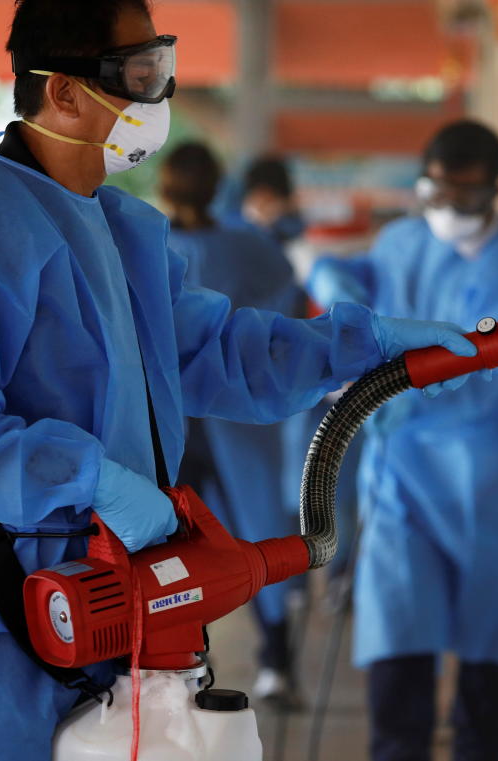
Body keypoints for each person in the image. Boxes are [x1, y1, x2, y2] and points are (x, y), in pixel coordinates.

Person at [0, 0, 482, 761]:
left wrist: (363, 345)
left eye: (157, 66)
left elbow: (222, 352)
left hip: (131, 601)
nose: (155, 97)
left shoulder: (126, 230)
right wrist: (90, 477)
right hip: (16, 607)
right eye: (137, 74)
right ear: (61, 91)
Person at [309, 120, 498, 761]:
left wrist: (393, 393)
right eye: (438, 191)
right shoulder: (402, 240)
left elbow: (486, 374)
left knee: (485, 655)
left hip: (494, 474)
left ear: (496, 190)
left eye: (468, 195)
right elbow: (366, 282)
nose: (450, 209)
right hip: (403, 473)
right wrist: (331, 278)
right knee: (399, 634)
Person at [158, 141, 309, 705]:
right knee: (253, 537)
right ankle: (275, 659)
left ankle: (195, 662)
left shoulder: (144, 243)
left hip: (188, 425)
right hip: (222, 417)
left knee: (178, 548)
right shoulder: (245, 247)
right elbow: (288, 311)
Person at [236, 154, 305, 243]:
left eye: (271, 197)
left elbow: (297, 232)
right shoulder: (237, 217)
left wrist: (274, 216)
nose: (264, 200)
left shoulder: (288, 216)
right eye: (260, 193)